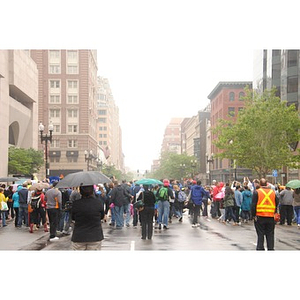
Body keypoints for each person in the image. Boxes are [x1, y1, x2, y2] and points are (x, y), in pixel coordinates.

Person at [71, 185, 104, 250]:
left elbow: (73, 217)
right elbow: (101, 216)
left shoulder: (76, 204)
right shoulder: (98, 203)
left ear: (80, 192)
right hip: (95, 235)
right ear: (92, 191)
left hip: (79, 236)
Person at [251, 178, 279, 250]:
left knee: (260, 234)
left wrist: (253, 215)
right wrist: (274, 212)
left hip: (260, 216)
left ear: (260, 184)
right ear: (267, 184)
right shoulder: (272, 192)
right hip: (270, 216)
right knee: (270, 234)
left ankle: (260, 248)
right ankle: (270, 248)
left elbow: (253, 205)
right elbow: (277, 203)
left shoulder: (257, 192)